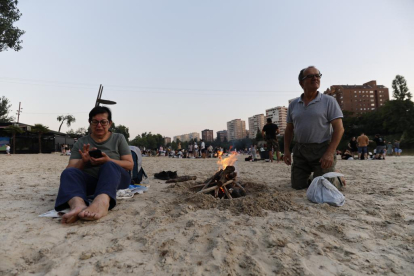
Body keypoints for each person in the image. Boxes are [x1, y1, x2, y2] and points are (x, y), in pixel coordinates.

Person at [54, 106, 133, 224]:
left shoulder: (119, 138)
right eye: (95, 122)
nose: (99, 125)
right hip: (91, 182)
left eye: (103, 122)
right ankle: (78, 205)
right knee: (68, 173)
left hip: (116, 179)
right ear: (90, 123)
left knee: (109, 165)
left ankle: (102, 202)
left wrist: (108, 160)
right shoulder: (81, 142)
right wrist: (83, 161)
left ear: (110, 123)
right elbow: (70, 169)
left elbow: (129, 164)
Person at [284, 66, 344, 190]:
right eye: (310, 76)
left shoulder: (329, 101)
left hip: (322, 149)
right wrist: (286, 150)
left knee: (325, 187)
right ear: (301, 83)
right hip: (300, 150)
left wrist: (330, 152)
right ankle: (320, 175)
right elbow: (289, 130)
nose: (315, 78)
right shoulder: (293, 105)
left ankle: (337, 178)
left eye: (317, 75)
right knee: (298, 186)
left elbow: (339, 129)